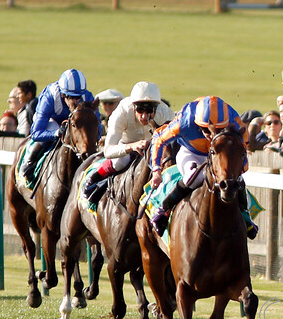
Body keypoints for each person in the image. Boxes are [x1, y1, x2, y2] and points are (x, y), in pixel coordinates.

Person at [148, 95, 257, 239]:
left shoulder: (235, 121)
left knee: (236, 179)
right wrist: (156, 170)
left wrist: (240, 168)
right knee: (195, 177)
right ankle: (164, 210)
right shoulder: (184, 120)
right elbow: (159, 138)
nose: (212, 133)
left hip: (219, 154)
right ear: (197, 123)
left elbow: (243, 146)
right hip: (191, 152)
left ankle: (245, 215)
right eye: (205, 129)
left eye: (219, 129)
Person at [81, 82, 173, 201]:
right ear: (133, 107)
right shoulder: (121, 112)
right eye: (140, 110)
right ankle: (94, 178)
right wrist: (132, 146)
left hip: (153, 146)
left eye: (149, 110)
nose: (144, 116)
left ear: (156, 108)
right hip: (125, 144)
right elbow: (108, 151)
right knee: (119, 162)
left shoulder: (165, 114)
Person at [20, 69, 99, 185]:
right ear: (63, 94)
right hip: (51, 121)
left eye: (78, 97)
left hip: (74, 123)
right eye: (71, 97)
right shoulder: (50, 97)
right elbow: (36, 133)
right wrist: (55, 133)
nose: (76, 101)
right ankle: (29, 163)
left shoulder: (87, 97)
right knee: (52, 127)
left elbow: (96, 125)